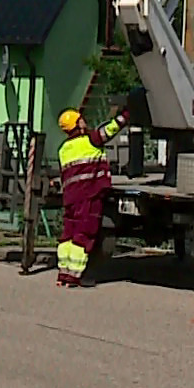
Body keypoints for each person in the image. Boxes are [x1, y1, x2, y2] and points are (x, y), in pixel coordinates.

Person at [55, 107, 125, 287]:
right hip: (89, 196)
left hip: (70, 198)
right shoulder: (91, 140)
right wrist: (126, 115)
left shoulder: (63, 149)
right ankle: (76, 275)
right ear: (77, 124)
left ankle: (64, 272)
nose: (84, 120)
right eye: (81, 119)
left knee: (68, 234)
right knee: (84, 233)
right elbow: (110, 130)